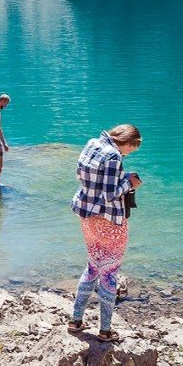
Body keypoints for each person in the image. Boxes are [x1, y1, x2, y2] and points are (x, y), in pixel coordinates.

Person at [68, 124, 142, 342]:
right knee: (109, 271)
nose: (128, 154)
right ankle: (105, 331)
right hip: (109, 220)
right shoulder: (113, 156)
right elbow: (110, 195)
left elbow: (84, 177)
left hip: (87, 215)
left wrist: (121, 179)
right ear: (131, 142)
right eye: (132, 149)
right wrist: (129, 183)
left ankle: (76, 321)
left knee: (93, 265)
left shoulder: (93, 144)